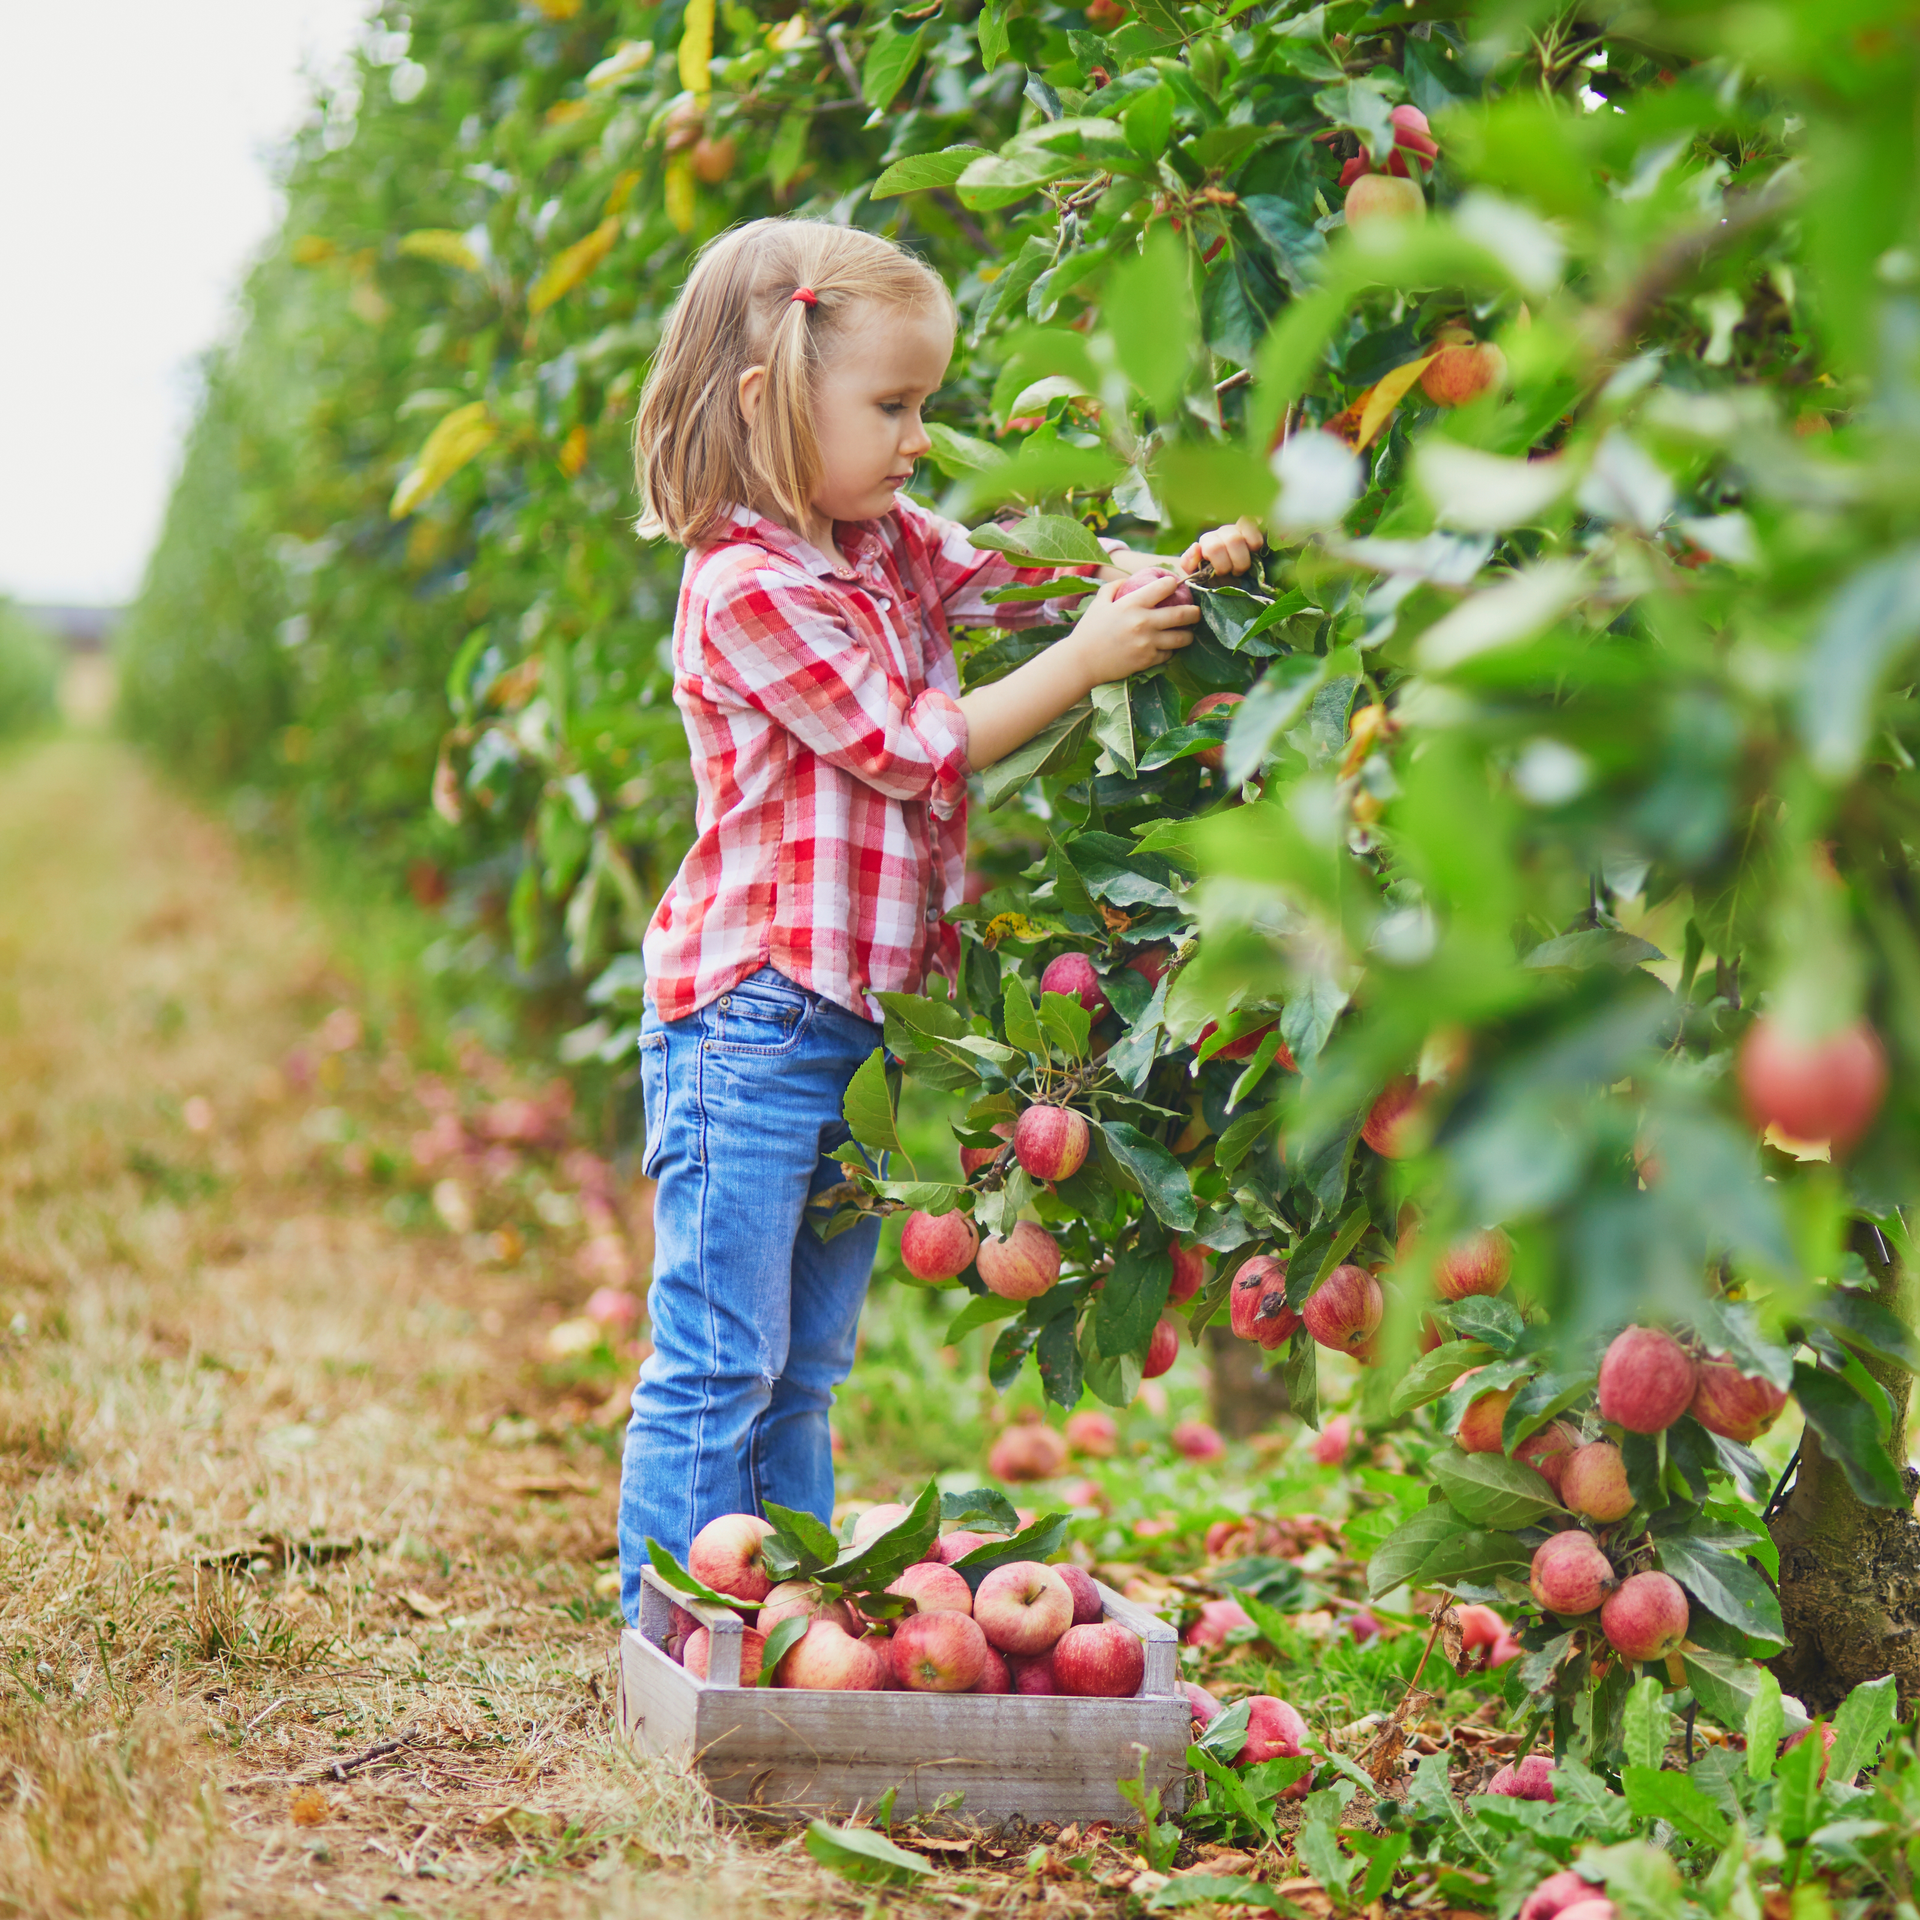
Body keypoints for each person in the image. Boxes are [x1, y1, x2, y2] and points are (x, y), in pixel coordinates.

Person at [618, 215, 1262, 1619]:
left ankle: (781, 1620)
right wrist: (1088, 663)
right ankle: (671, 1629)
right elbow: (912, 742)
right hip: (751, 1016)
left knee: (806, 1365)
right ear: (772, 402)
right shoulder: (746, 585)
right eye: (893, 407)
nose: (921, 438)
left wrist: (1169, 573)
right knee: (720, 1354)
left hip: (855, 1032)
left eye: (926, 405)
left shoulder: (884, 544)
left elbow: (1025, 587)